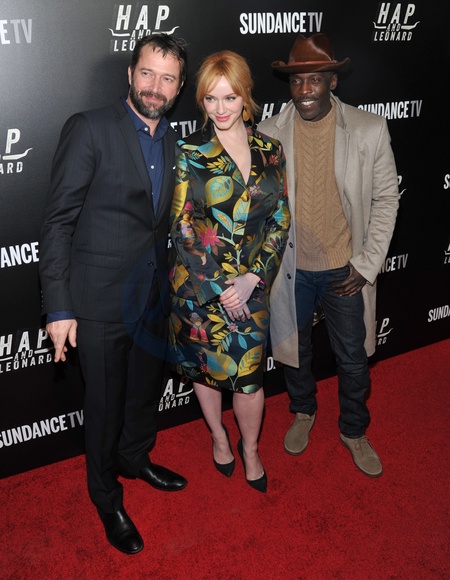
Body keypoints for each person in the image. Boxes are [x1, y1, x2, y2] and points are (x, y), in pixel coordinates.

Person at [39, 34, 189, 554]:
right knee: (104, 406)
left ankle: (135, 456)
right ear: (130, 73)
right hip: (98, 301)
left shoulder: (173, 141)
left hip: (151, 299)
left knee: (144, 393)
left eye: (168, 78)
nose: (155, 86)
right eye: (147, 73)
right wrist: (60, 306)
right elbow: (58, 222)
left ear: (179, 88)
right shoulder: (90, 128)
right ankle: (106, 497)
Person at [259, 34, 400, 477]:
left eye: (315, 80)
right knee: (294, 350)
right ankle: (303, 410)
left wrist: (366, 264)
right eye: (296, 81)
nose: (304, 91)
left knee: (353, 359)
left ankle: (354, 430)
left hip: (345, 268)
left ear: (332, 82)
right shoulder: (267, 133)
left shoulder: (369, 129)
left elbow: (387, 200)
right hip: (291, 269)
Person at [168, 51, 290, 493]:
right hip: (200, 290)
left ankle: (250, 448)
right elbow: (182, 225)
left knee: (249, 381)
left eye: (230, 98)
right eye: (210, 99)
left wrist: (253, 277)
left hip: (251, 288)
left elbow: (280, 217)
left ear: (246, 97)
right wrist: (220, 285)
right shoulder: (190, 151)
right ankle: (219, 437)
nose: (220, 109)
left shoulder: (271, 150)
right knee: (207, 369)